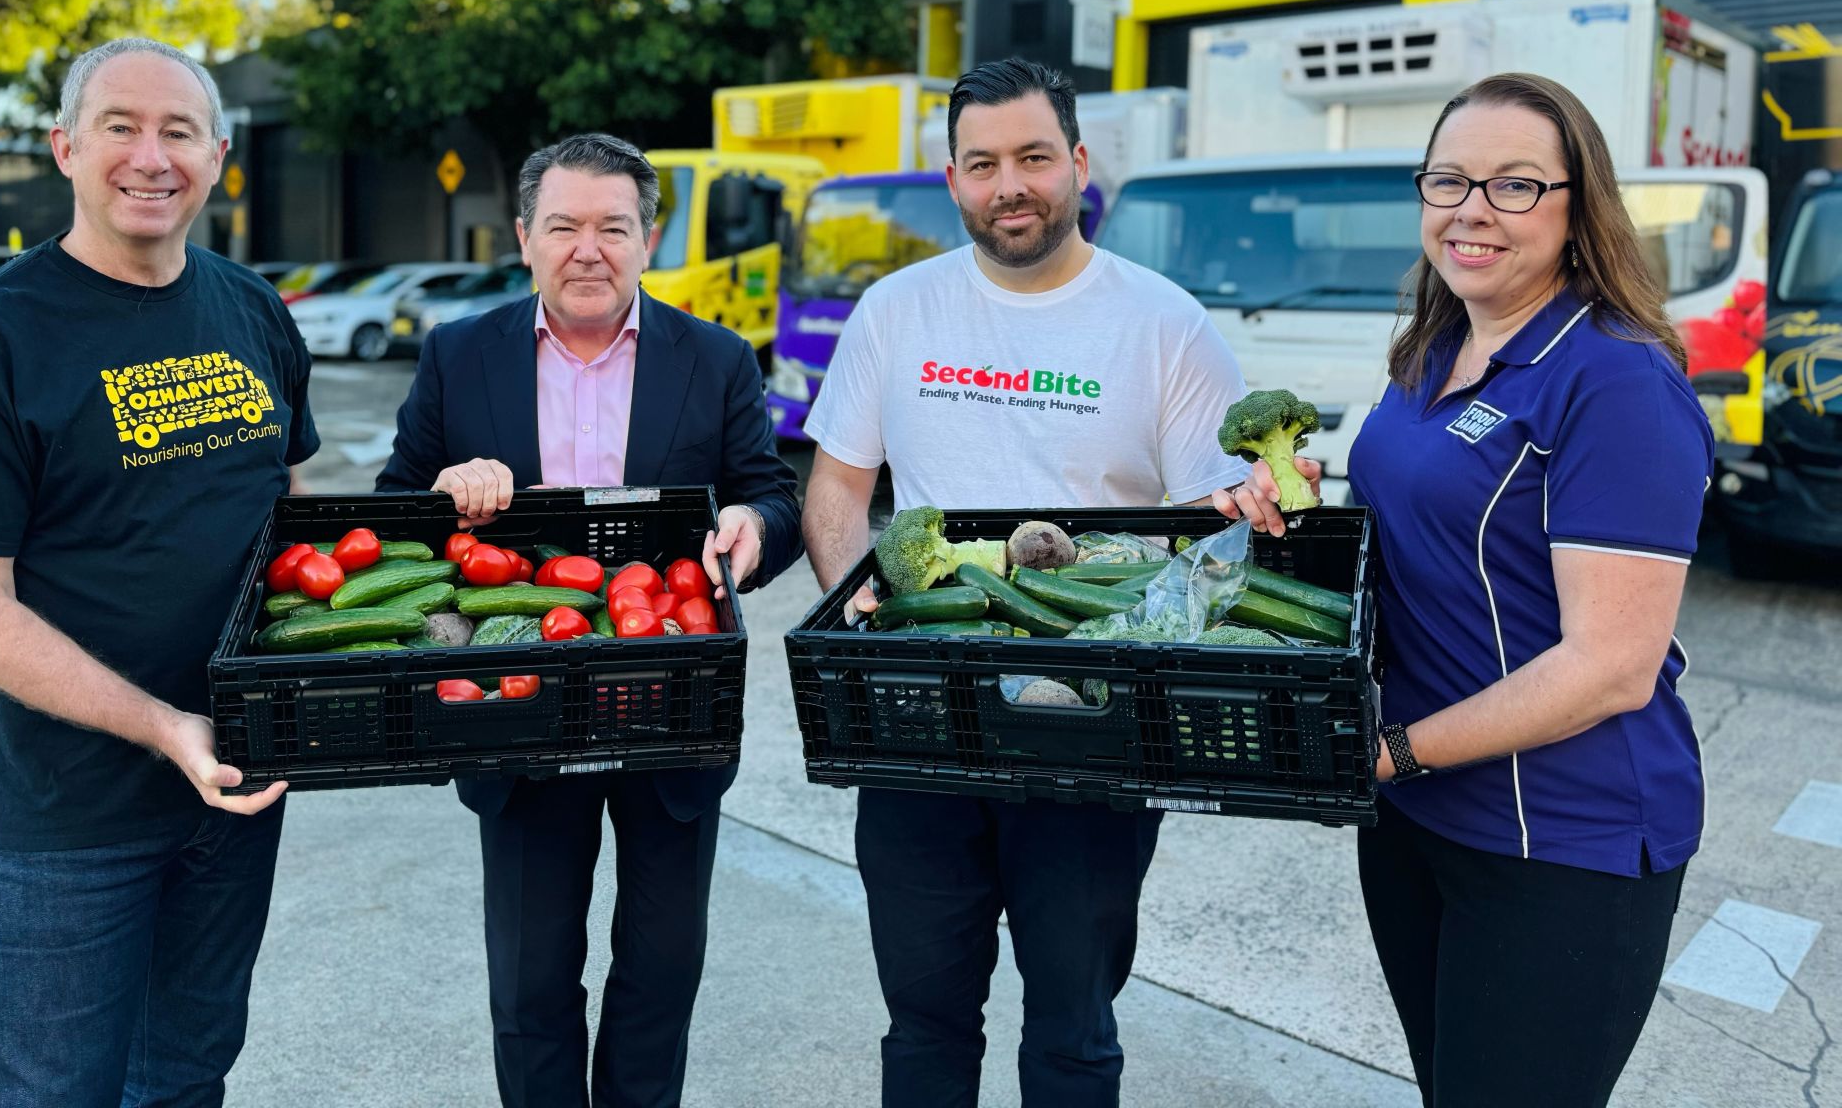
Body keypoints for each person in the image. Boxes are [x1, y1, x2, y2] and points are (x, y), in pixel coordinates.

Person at [1218, 71, 1712, 1108]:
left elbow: (1610, 667)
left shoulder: (1614, 380)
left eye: (1514, 184)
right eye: (1447, 179)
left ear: (1579, 210)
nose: (1470, 209)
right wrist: (1288, 510)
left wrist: (1392, 753)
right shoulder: (1433, 348)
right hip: (1413, 816)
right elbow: (1415, 535)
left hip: (1556, 840)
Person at [0, 37, 315, 1106]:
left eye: (178, 132)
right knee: (53, 1089)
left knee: (187, 1075)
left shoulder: (251, 309)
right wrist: (167, 728)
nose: (149, 157)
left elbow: (289, 512)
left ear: (217, 156)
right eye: (120, 126)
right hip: (65, 817)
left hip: (234, 792)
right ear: (66, 147)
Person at [801, 58, 1253, 1108]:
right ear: (951, 179)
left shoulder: (1163, 325)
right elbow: (836, 490)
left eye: (1033, 157)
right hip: (919, 721)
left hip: (1092, 730)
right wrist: (863, 619)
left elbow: (1216, 530)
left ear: (1078, 164)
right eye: (983, 163)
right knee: (922, 1023)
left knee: (1072, 1031)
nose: (1010, 183)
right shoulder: (895, 310)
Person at [375, 131, 802, 1108]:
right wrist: (442, 489)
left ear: (648, 238)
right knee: (529, 988)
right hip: (517, 699)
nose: (587, 249)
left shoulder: (718, 358)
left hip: (672, 703)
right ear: (523, 236)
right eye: (562, 225)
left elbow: (770, 495)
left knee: (659, 976)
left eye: (613, 227)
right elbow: (393, 504)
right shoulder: (458, 355)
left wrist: (750, 526)